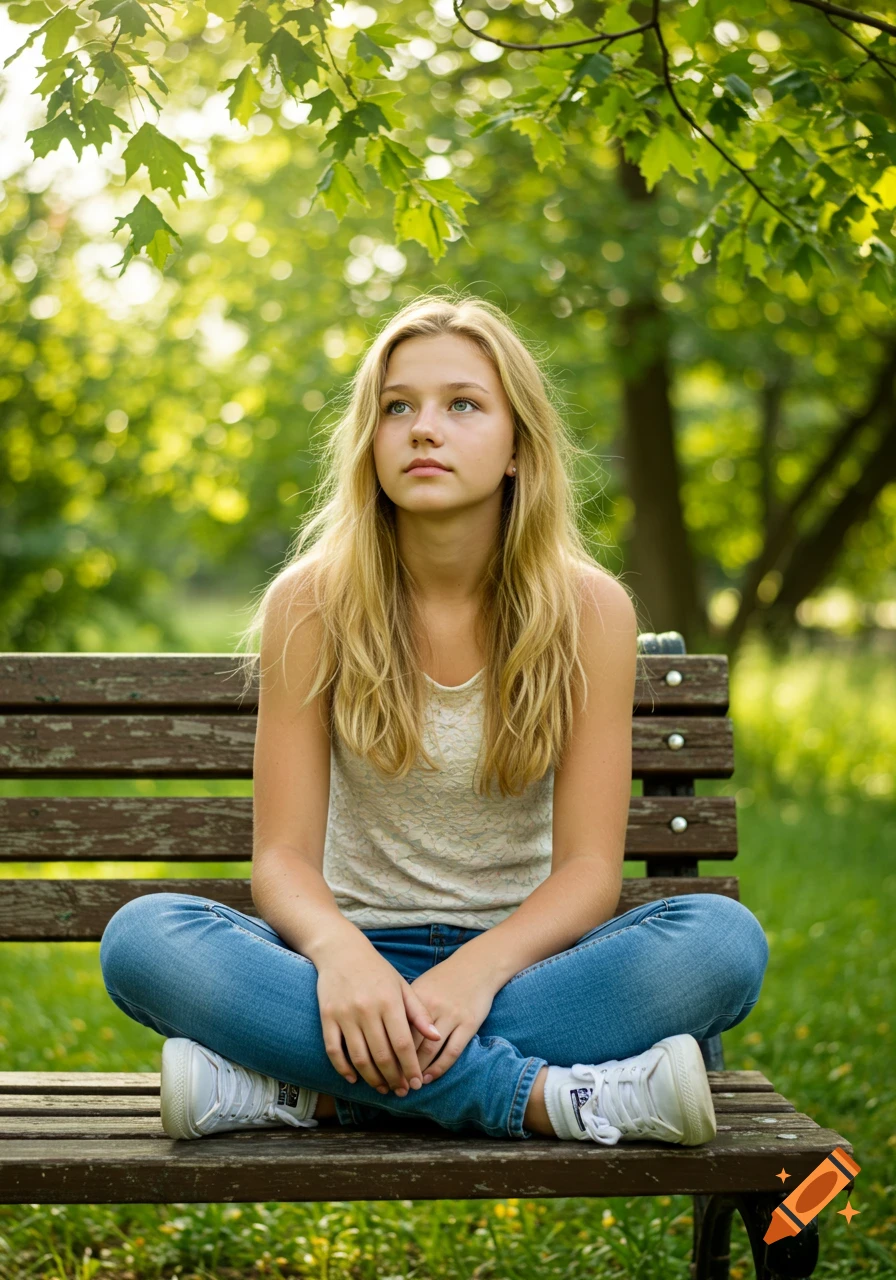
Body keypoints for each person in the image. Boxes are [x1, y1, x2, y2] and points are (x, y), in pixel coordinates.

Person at [99, 290, 769, 1145]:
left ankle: (308, 1093)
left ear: (518, 445)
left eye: (463, 404)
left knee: (721, 943)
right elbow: (284, 859)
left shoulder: (589, 611)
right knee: (145, 940)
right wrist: (342, 957)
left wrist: (472, 977)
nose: (424, 429)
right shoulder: (310, 603)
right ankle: (559, 1099)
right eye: (397, 407)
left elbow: (590, 874)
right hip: (343, 976)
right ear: (369, 441)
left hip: (525, 972)